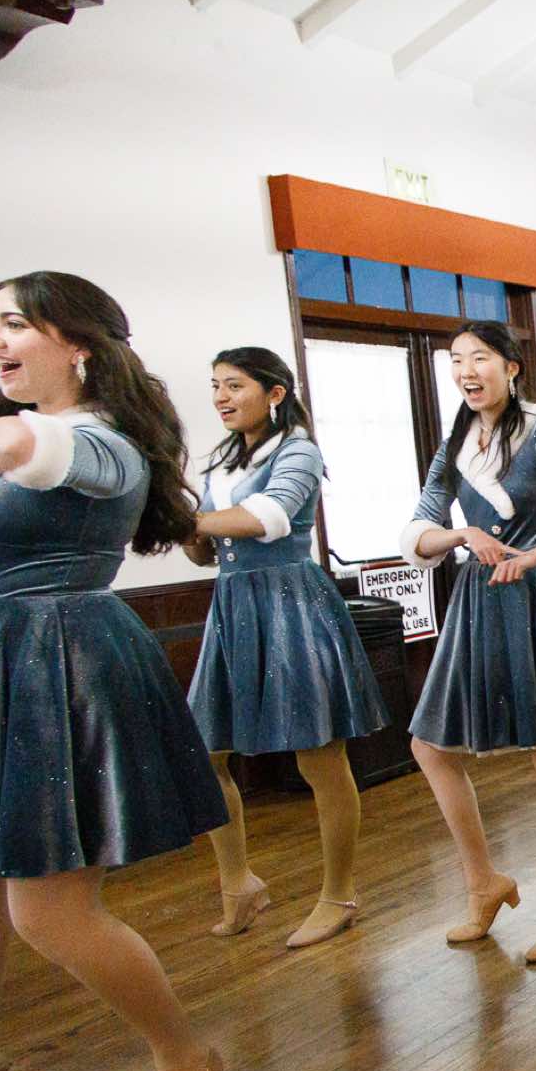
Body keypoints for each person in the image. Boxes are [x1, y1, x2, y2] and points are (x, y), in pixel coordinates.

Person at [0, 271, 231, 1071]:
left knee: (47, 908)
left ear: (77, 343)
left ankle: (183, 1057)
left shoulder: (105, 441)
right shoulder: (15, 427)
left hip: (60, 663)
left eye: (14, 323)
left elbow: (26, 448)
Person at [400, 320, 536, 963]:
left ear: (512, 368)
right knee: (429, 746)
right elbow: (419, 529)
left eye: (480, 358)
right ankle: (483, 883)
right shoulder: (456, 441)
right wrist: (463, 535)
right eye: (456, 360)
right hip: (476, 600)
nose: (466, 371)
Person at [183, 347, 390, 947]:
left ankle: (339, 894)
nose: (221, 397)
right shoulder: (221, 462)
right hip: (232, 605)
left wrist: (186, 521)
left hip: (292, 605)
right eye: (215, 385)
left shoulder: (299, 450)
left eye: (234, 385)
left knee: (319, 757)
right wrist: (186, 528)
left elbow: (267, 518)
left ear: (274, 393)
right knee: (207, 752)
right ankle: (238, 883)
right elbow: (204, 548)